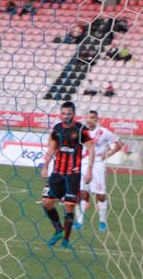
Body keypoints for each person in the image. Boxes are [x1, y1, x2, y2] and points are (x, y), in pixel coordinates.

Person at [39, 100, 95, 249]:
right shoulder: (56, 129)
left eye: (69, 113)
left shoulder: (81, 129)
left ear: (74, 114)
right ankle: (58, 230)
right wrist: (45, 166)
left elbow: (91, 148)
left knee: (69, 207)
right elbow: (51, 148)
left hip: (73, 173)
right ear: (60, 114)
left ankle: (66, 240)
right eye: (63, 113)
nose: (66, 116)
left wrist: (89, 169)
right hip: (57, 172)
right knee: (47, 202)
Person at [75, 110, 122, 232]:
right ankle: (79, 221)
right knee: (83, 192)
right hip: (84, 164)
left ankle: (102, 221)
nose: (90, 119)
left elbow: (119, 144)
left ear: (97, 119)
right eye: (88, 117)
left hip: (98, 165)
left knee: (100, 194)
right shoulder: (81, 131)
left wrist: (107, 154)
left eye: (93, 117)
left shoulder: (104, 132)